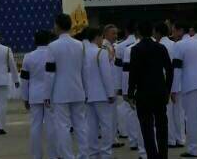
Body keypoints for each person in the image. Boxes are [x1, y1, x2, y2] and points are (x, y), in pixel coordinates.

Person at [128, 19, 173, 159]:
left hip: (143, 93)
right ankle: (163, 155)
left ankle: (152, 155)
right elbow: (170, 70)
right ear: (152, 31)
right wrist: (167, 89)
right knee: (162, 126)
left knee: (147, 129)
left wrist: (130, 93)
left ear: (138, 32)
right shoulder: (161, 47)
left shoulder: (135, 49)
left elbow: (133, 73)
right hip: (160, 91)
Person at [45, 13, 88, 159]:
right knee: (81, 125)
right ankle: (84, 155)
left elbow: (50, 74)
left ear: (57, 25)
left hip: (60, 92)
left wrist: (46, 95)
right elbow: (84, 69)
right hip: (78, 90)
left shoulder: (52, 46)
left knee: (62, 127)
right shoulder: (80, 45)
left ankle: (68, 156)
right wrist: (86, 90)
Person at [171, 21, 197, 157]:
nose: (173, 33)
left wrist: (174, 89)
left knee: (191, 117)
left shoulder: (179, 45)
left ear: (180, 30)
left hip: (190, 84)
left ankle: (193, 149)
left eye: (174, 30)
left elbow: (176, 69)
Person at [21, 29, 55, 159]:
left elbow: (24, 79)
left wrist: (25, 97)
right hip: (51, 94)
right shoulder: (53, 54)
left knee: (35, 126)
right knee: (51, 126)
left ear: (35, 41)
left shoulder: (28, 57)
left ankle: (36, 155)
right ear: (48, 40)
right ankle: (53, 155)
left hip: (34, 95)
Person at [81, 27, 115, 159]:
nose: (102, 40)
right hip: (102, 95)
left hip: (88, 95)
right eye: (101, 37)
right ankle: (106, 153)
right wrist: (110, 93)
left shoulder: (83, 53)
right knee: (107, 125)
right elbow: (106, 75)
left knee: (91, 126)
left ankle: (93, 152)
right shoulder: (101, 52)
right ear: (97, 37)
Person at [114, 21, 140, 151]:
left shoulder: (120, 46)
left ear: (126, 31)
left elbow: (120, 70)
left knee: (129, 111)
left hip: (128, 82)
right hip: (143, 84)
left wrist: (120, 87)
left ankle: (132, 139)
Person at [157, 22, 183, 148]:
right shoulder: (175, 44)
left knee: (167, 113)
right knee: (178, 113)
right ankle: (180, 138)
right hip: (177, 81)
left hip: (165, 82)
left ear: (157, 33)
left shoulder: (159, 46)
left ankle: (170, 139)